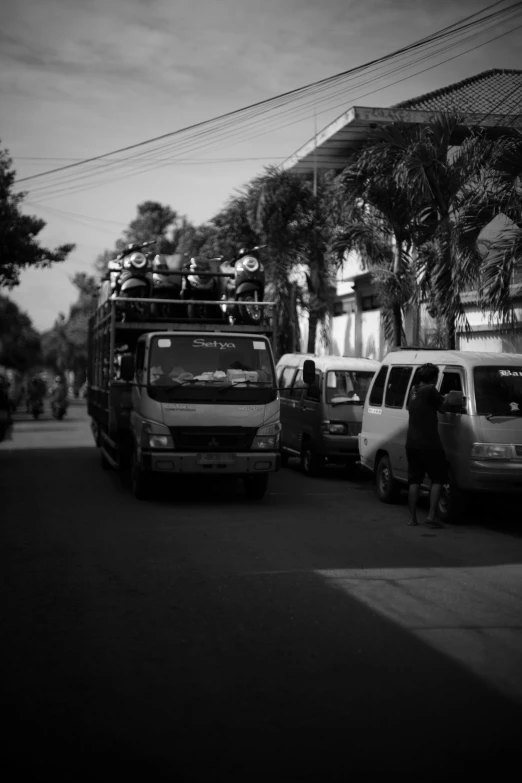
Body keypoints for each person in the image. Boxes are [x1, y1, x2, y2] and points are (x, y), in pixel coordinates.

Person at [406, 363, 450, 528]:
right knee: (438, 478)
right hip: (430, 443)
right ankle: (431, 515)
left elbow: (410, 408)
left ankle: (412, 518)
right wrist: (447, 398)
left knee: (414, 480)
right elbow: (443, 409)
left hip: (411, 443)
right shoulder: (431, 390)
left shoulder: (414, 390)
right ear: (434, 378)